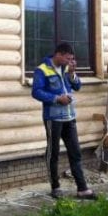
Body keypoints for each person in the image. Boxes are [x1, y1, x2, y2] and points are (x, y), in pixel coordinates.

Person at [31, 42, 97, 200]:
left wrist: (72, 74)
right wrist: (56, 98)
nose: (70, 62)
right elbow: (36, 92)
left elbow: (77, 86)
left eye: (72, 59)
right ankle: (55, 187)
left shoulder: (67, 68)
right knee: (53, 153)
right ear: (58, 54)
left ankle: (82, 189)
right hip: (53, 118)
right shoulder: (42, 70)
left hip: (70, 117)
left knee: (76, 153)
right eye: (68, 58)